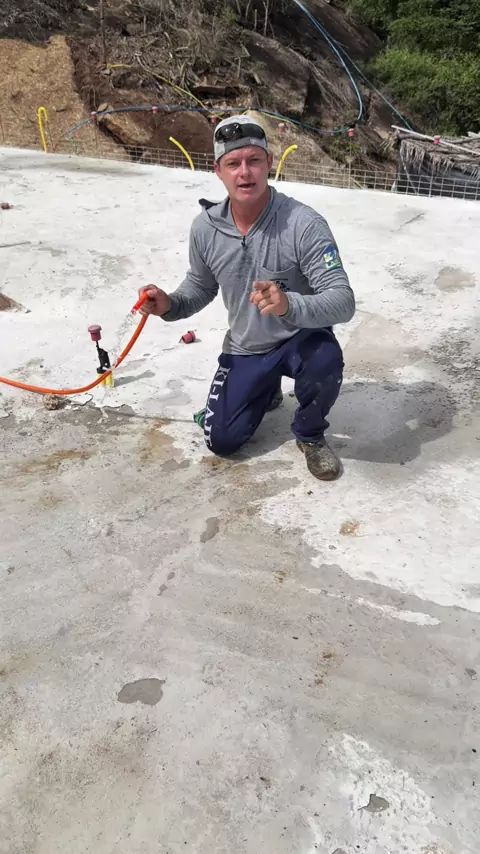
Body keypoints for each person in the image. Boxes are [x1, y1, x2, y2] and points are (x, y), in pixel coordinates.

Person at [139, 114, 355, 480]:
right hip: (247, 346)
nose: (245, 173)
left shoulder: (303, 224)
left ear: (269, 162)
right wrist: (169, 304)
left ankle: (310, 433)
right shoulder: (205, 229)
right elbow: (201, 286)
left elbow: (343, 301)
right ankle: (265, 388)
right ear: (218, 171)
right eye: (233, 164)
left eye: (254, 160)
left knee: (325, 360)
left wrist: (289, 304)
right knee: (222, 441)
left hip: (300, 338)